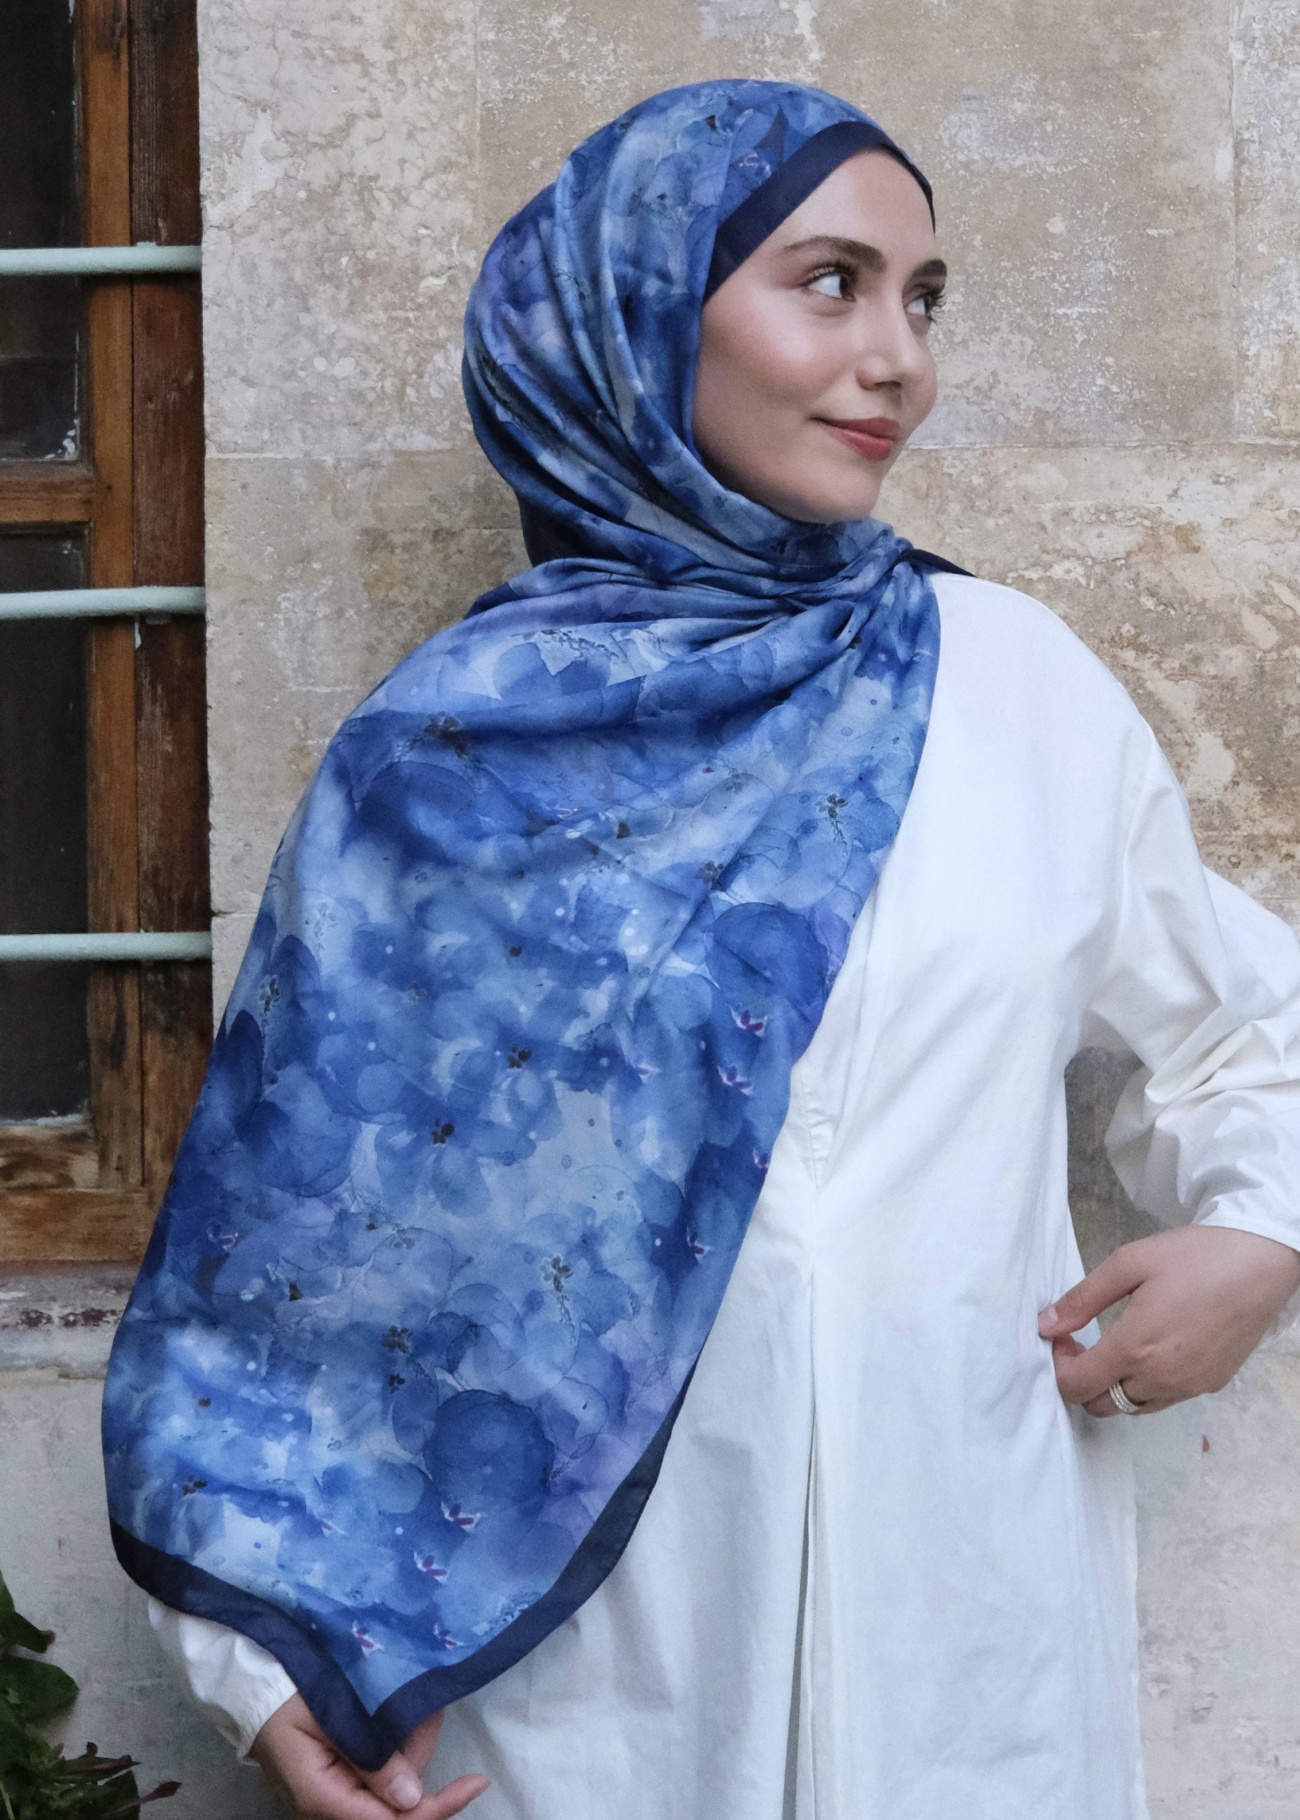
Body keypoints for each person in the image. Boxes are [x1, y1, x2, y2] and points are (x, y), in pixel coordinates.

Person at [101, 79, 1300, 1820]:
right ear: (638, 311)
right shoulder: (448, 760)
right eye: (830, 283)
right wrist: (264, 1675)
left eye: (923, 299)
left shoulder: (1012, 687)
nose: (899, 360)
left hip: (961, 1635)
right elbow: (279, 1286)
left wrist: (1261, 1234)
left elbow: (1252, 1028)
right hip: (583, 1688)